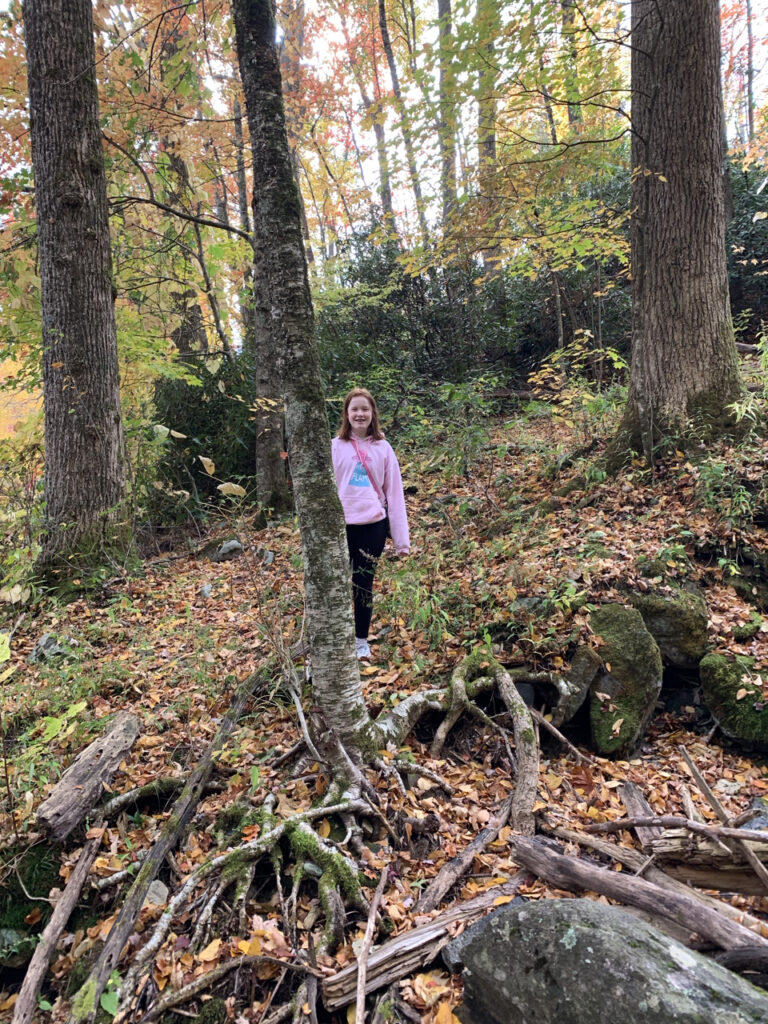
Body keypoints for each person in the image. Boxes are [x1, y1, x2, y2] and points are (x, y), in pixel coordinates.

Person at [332, 388, 410, 659]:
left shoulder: (383, 448)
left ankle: (360, 641)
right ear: (346, 414)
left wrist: (402, 542)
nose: (360, 414)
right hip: (339, 527)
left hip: (373, 526)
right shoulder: (334, 447)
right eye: (354, 409)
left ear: (373, 413)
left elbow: (395, 495)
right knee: (334, 585)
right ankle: (334, 643)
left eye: (364, 409)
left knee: (363, 584)